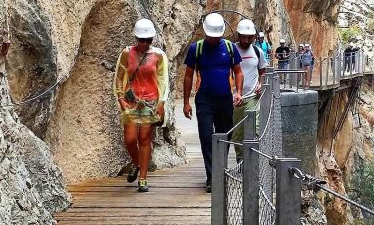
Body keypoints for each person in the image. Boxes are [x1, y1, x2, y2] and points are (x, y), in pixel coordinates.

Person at [183, 13, 244, 192]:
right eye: (211, 36)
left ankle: (220, 170)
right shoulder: (197, 48)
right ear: (205, 33)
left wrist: (238, 92)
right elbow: (188, 76)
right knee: (206, 136)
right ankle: (212, 177)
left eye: (217, 36)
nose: (214, 39)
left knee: (225, 136)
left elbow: (238, 72)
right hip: (204, 100)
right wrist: (186, 102)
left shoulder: (230, 48)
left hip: (225, 99)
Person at [113, 19, 169, 193]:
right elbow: (119, 75)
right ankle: (136, 164)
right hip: (131, 101)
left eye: (148, 40)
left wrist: (161, 102)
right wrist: (120, 98)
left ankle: (143, 179)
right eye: (142, 40)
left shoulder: (158, 55)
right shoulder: (126, 53)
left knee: (144, 139)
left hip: (150, 101)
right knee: (130, 139)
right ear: (136, 39)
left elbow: (163, 79)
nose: (145, 43)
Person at [229, 19, 268, 160]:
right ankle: (241, 162)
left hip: (253, 97)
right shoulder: (231, 49)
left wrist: (260, 83)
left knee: (254, 130)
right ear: (238, 35)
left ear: (253, 37)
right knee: (238, 133)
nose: (246, 40)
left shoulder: (257, 51)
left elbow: (262, 72)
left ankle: (253, 161)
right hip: (235, 99)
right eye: (243, 36)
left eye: (249, 37)